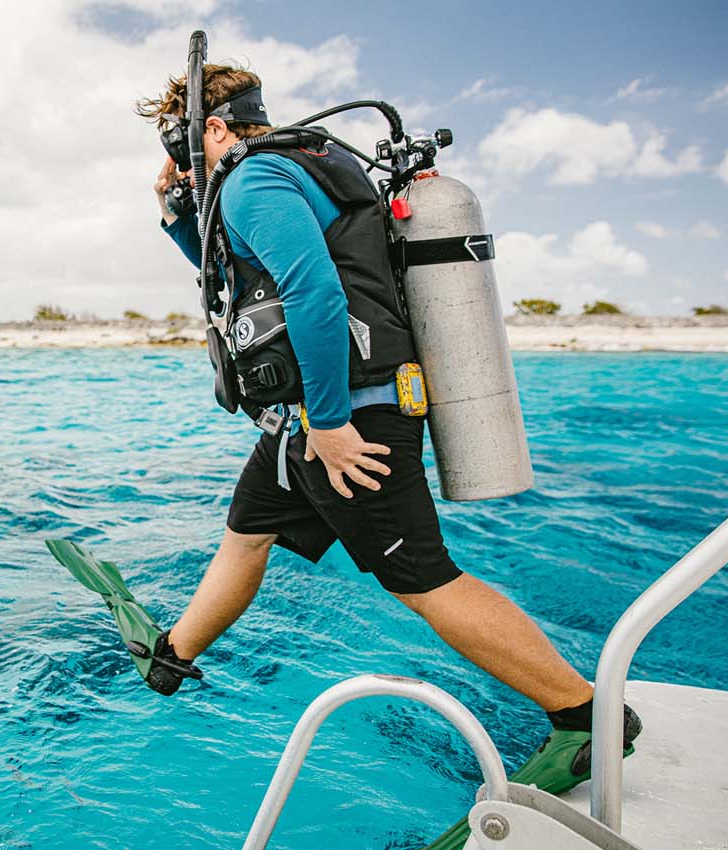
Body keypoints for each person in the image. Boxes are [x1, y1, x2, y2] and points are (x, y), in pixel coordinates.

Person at [132, 64, 638, 826]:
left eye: (180, 138)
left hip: (347, 418)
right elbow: (239, 278)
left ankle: (584, 719)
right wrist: (174, 215)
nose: (180, 157)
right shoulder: (294, 170)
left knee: (422, 579)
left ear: (213, 127)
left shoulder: (254, 181)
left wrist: (331, 426)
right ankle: (172, 658)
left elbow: (313, 294)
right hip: (304, 420)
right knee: (247, 535)